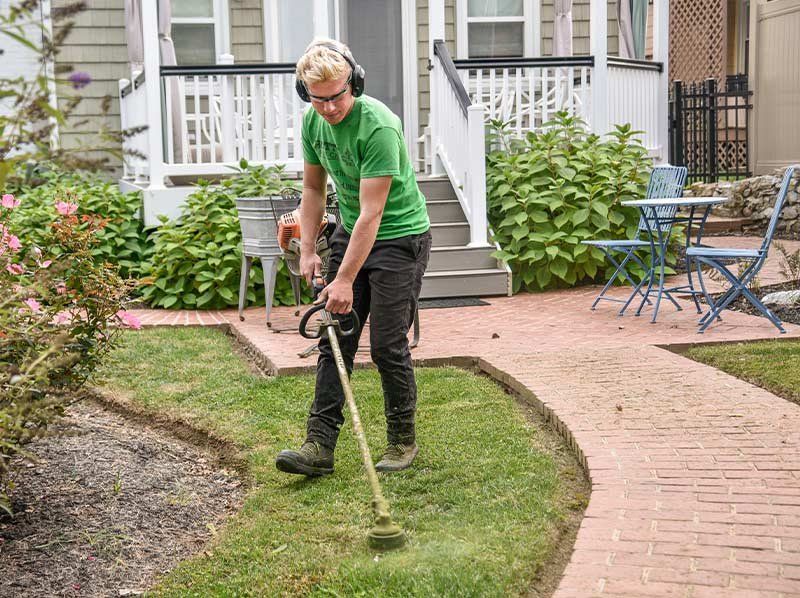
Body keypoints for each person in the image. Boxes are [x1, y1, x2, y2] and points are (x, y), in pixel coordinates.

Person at [275, 38, 431, 476]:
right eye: (317, 99)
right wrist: (308, 249)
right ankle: (318, 446)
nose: (328, 108)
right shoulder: (313, 122)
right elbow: (312, 189)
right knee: (334, 337)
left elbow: (372, 213)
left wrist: (344, 280)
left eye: (337, 96)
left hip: (400, 237)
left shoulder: (378, 127)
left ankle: (401, 441)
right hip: (352, 230)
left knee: (386, 344)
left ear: (354, 84)